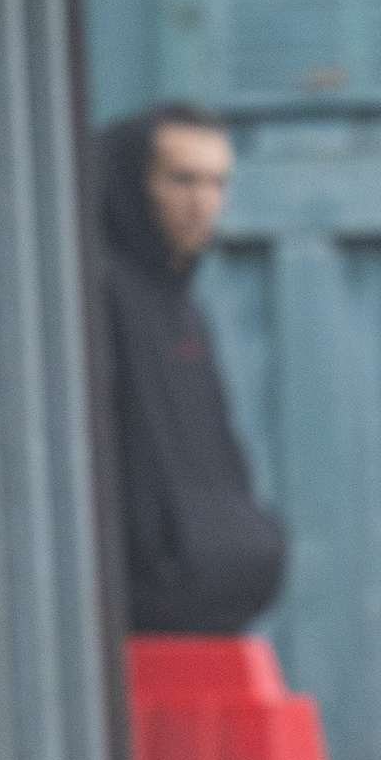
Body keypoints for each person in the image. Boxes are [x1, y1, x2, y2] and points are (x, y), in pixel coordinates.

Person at [97, 104, 286, 634]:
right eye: (181, 180)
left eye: (216, 183)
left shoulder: (177, 301)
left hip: (204, 597)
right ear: (132, 183)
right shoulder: (100, 294)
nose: (202, 204)